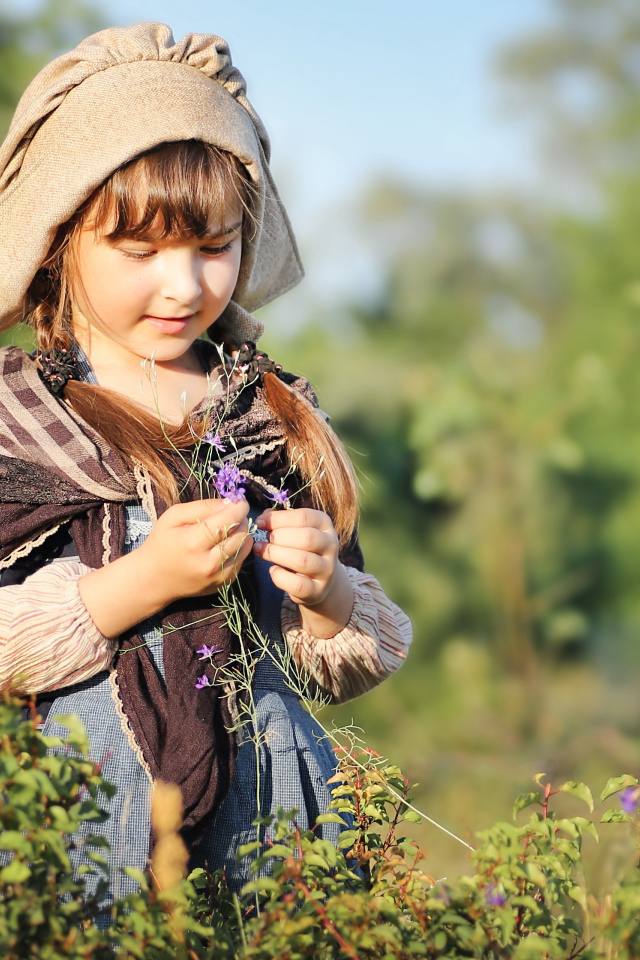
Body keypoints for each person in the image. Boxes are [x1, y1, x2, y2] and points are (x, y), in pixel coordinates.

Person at [0, 23, 412, 903]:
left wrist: (326, 593)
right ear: (61, 238)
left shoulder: (268, 409)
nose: (185, 286)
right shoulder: (19, 420)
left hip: (275, 825)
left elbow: (346, 665)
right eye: (141, 252)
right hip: (84, 824)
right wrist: (141, 582)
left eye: (214, 246)